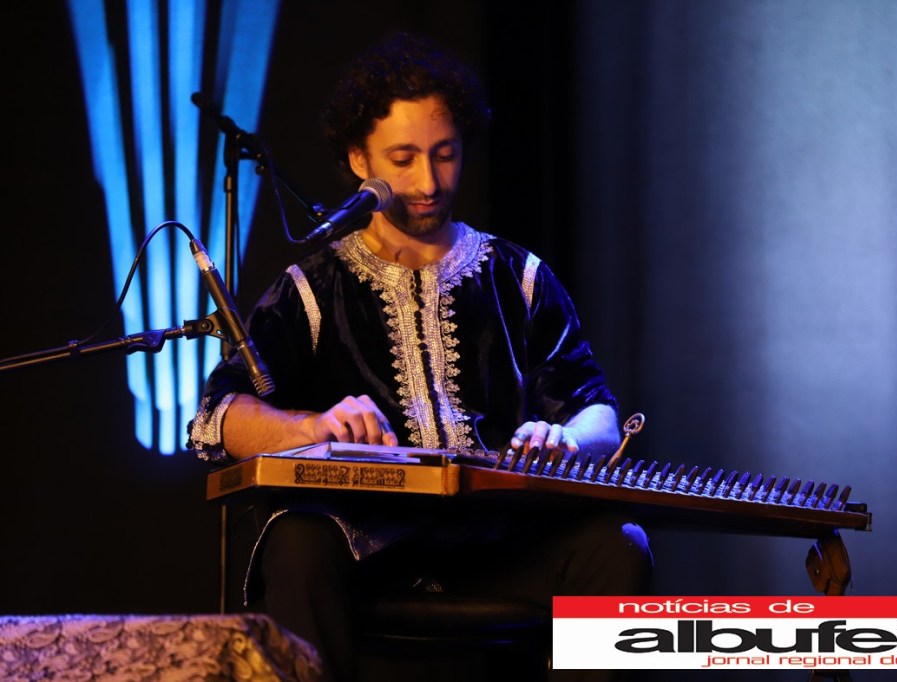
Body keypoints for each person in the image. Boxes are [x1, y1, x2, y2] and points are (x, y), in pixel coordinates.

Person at [188, 32, 653, 681]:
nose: (429, 183)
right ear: (359, 160)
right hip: (364, 552)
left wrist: (567, 441)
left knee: (618, 545)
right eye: (403, 160)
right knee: (296, 538)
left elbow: (597, 411)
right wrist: (312, 428)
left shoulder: (518, 277)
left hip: (501, 545)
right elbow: (216, 418)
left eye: (445, 155)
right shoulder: (314, 289)